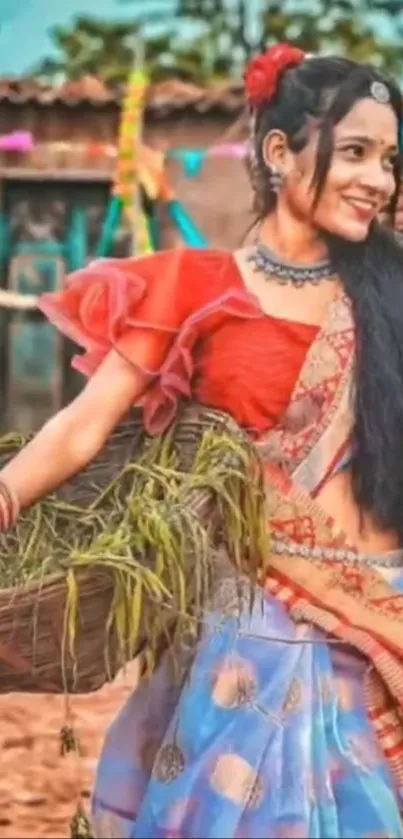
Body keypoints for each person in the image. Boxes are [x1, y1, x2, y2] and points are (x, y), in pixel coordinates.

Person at [2, 43, 403, 838]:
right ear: (277, 151)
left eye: (390, 159)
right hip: (244, 630)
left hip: (381, 617)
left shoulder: (390, 294)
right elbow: (81, 425)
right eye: (354, 152)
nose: (378, 179)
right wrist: (6, 495)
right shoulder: (192, 287)